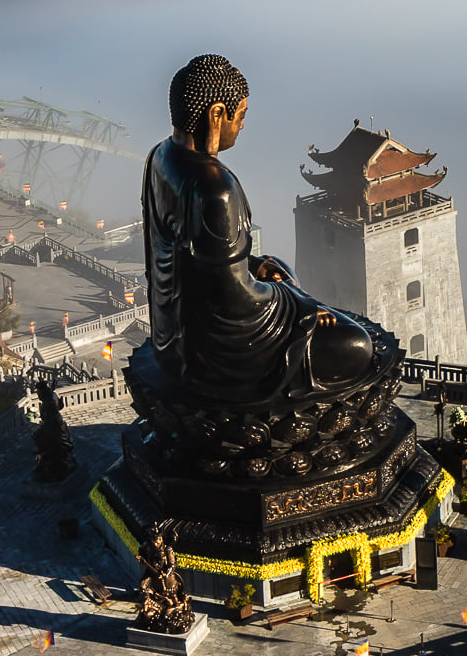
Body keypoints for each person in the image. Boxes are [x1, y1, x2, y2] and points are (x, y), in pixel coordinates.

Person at [143, 55, 374, 401]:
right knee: (358, 345)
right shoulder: (214, 189)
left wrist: (254, 267)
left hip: (173, 341)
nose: (243, 125)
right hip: (219, 358)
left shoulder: (159, 157)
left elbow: (198, 263)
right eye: (241, 115)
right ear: (216, 115)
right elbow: (235, 301)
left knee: (275, 265)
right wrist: (301, 304)